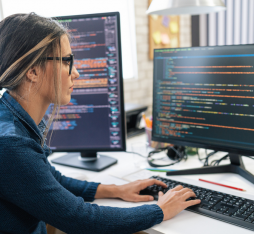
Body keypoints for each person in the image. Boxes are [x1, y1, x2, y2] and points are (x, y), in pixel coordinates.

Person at [0, 13, 201, 234]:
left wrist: (117, 190)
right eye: (67, 61)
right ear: (32, 71)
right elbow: (81, 219)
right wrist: (159, 210)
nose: (75, 72)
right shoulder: (11, 144)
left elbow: (50, 180)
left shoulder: (13, 120)